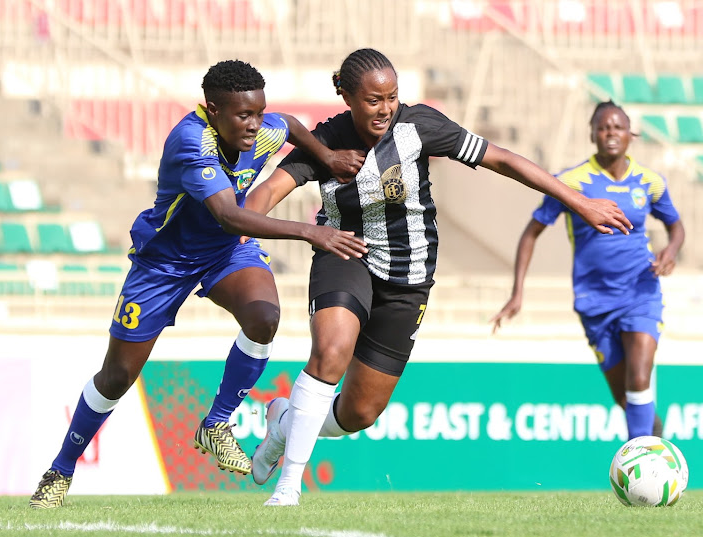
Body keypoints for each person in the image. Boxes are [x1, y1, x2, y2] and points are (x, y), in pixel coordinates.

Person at [244, 48, 633, 506]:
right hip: (344, 252)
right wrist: (270, 237)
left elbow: (502, 159)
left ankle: (284, 425)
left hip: (409, 276)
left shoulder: (420, 126)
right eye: (373, 100)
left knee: (360, 412)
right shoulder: (324, 143)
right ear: (345, 95)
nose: (385, 109)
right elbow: (262, 197)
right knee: (331, 351)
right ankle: (288, 486)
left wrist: (578, 201)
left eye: (391, 97)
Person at [29, 59, 368, 509]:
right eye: (243, 116)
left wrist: (326, 156)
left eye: (257, 112)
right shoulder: (192, 142)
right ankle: (61, 470)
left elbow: (287, 125)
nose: (254, 125)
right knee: (117, 376)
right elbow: (228, 215)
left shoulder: (263, 126)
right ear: (212, 109)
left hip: (225, 253)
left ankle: (217, 423)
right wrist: (310, 231)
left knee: (264, 318)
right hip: (164, 263)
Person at [491, 100, 685, 441]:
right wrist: (518, 291)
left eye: (618, 127)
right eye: (603, 127)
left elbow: (676, 227)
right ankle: (649, 433)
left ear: (631, 134)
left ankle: (645, 461)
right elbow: (531, 233)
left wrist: (670, 250)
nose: (611, 133)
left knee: (640, 379)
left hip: (641, 291)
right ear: (593, 134)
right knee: (625, 396)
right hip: (594, 300)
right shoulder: (572, 181)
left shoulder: (650, 182)